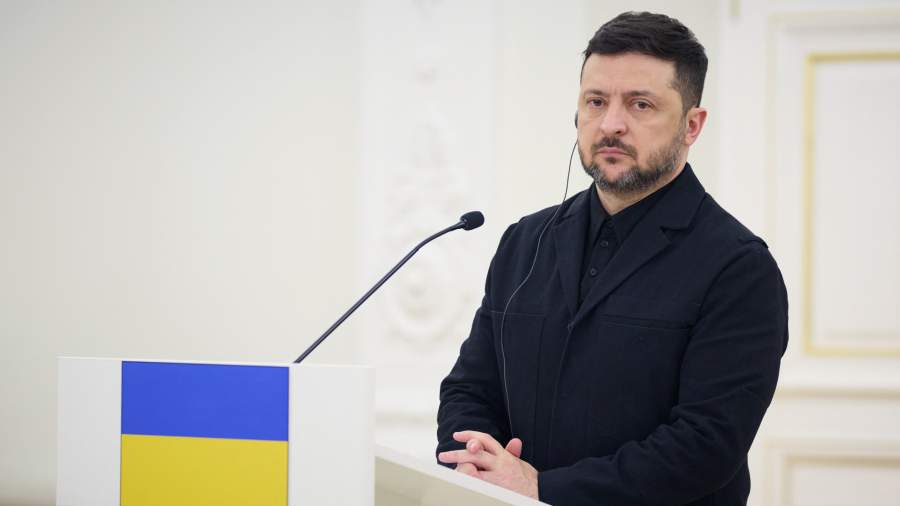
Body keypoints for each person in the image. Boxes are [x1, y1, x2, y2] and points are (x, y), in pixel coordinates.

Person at [436, 11, 788, 506]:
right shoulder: (525, 241)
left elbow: (704, 446)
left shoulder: (738, 268)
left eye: (641, 104)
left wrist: (543, 489)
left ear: (692, 125)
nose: (611, 124)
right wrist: (477, 461)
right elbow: (469, 389)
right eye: (596, 101)